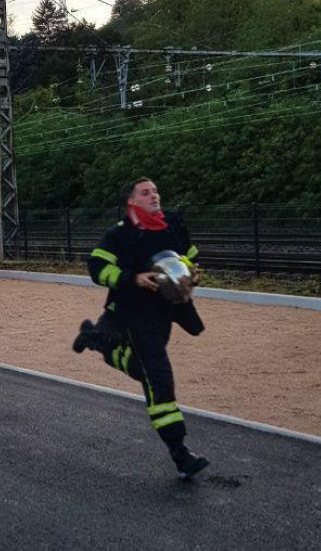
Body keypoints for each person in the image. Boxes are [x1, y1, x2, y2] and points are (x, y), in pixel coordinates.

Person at [74, 177, 210, 480]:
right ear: (132, 201)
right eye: (146, 193)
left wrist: (192, 272)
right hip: (133, 313)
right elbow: (97, 268)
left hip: (164, 312)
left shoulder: (172, 224)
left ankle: (100, 343)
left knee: (140, 370)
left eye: (156, 191)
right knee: (159, 376)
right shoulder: (119, 235)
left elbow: (190, 255)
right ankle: (180, 451)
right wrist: (132, 278)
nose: (154, 196)